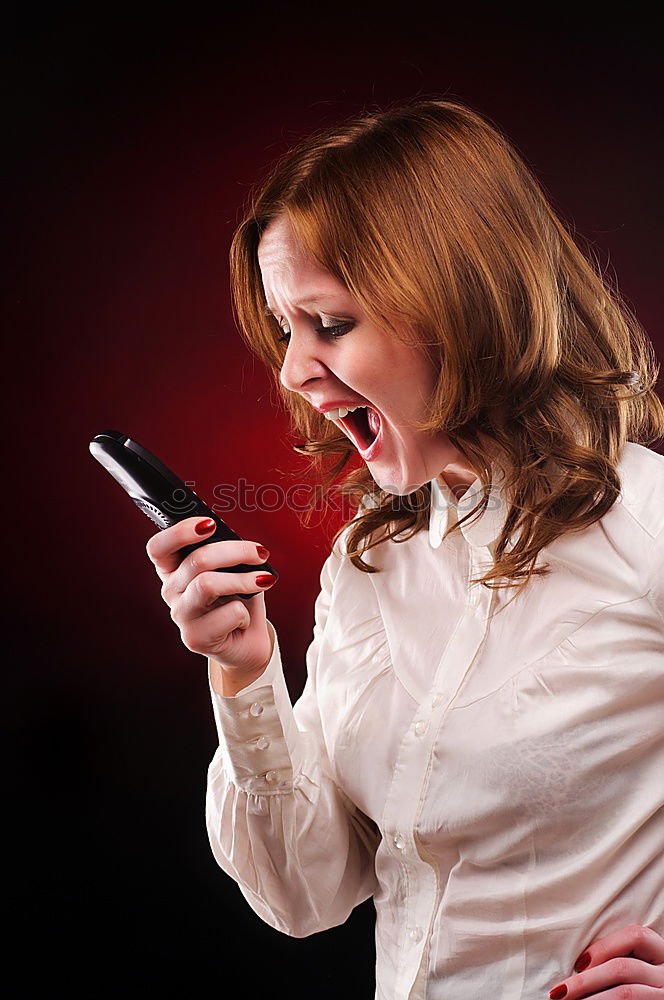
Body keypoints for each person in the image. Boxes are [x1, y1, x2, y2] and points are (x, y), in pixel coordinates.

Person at [146, 99, 664, 998]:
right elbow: (304, 895)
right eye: (284, 329)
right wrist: (243, 668)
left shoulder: (650, 534)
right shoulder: (368, 564)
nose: (292, 370)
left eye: (330, 324)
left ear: (460, 305)